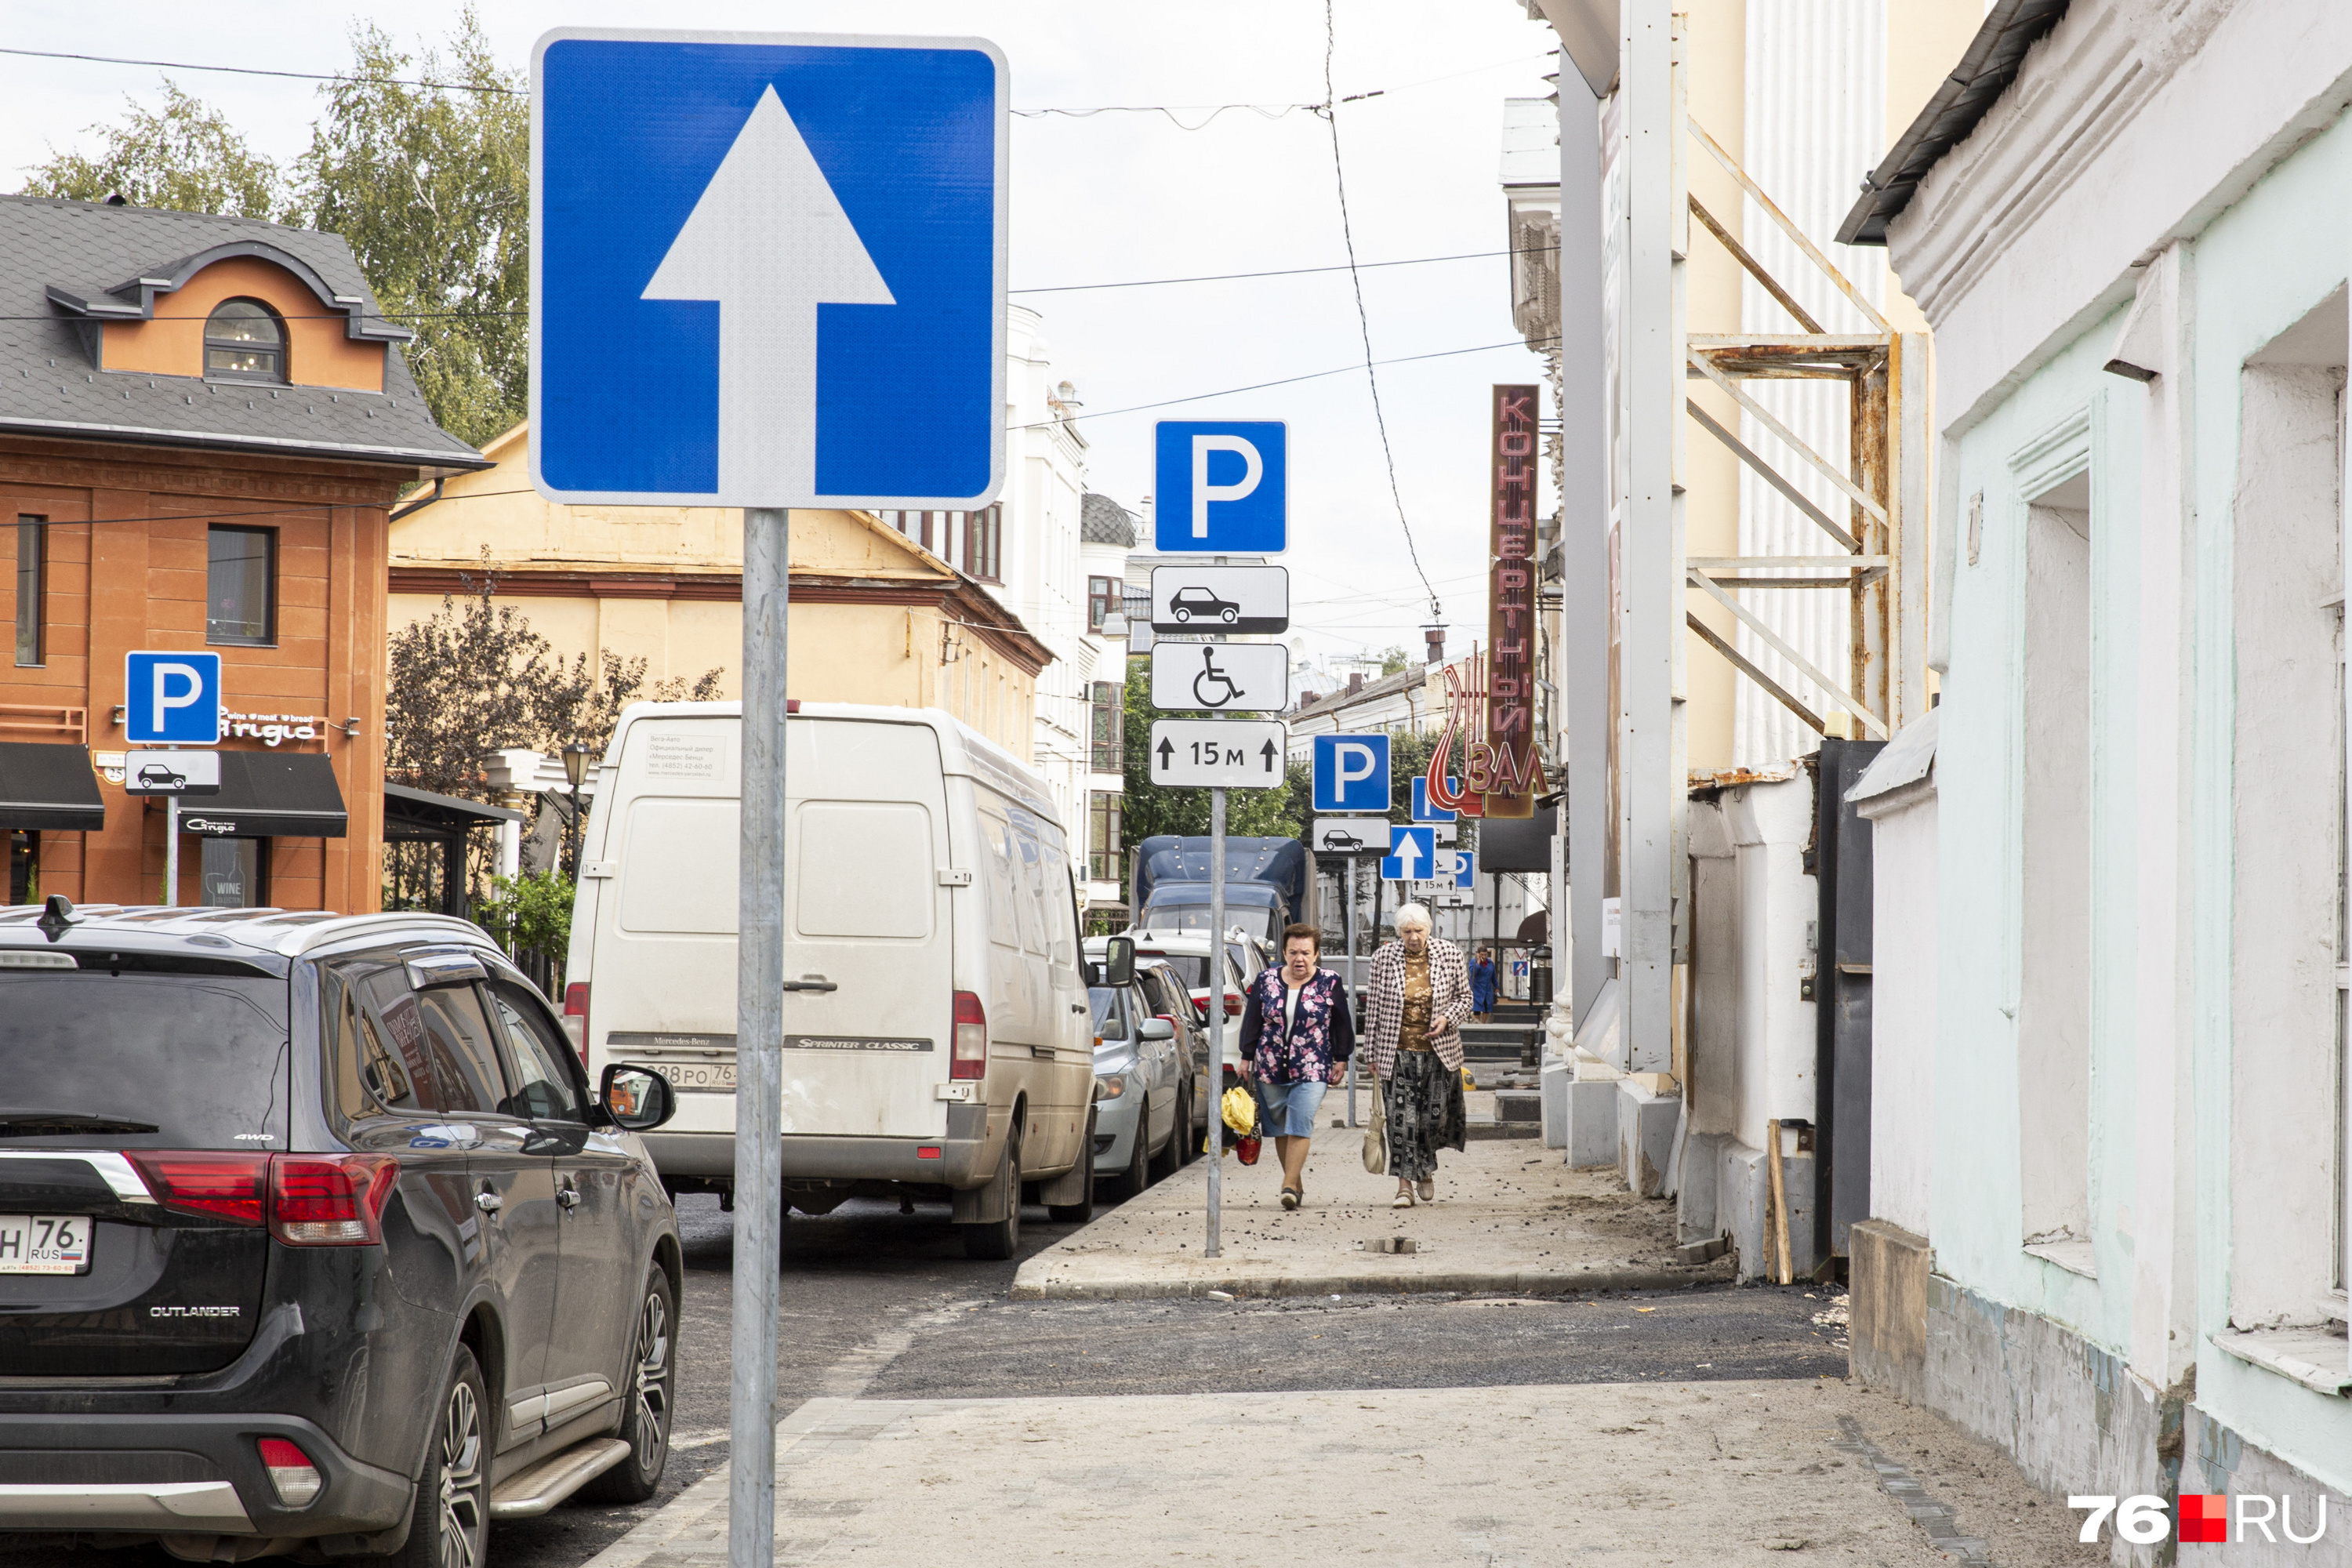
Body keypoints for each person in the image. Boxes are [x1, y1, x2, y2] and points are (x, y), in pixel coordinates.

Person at [1236, 922, 1356, 1210]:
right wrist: (1246, 1056)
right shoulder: (1266, 980)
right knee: (1280, 1128)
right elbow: (1252, 1018)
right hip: (1270, 1065)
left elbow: (1341, 1022)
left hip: (1314, 1066)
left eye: (1305, 952)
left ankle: (1288, 1185)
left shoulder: (1329, 981)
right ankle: (1296, 1182)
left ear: (1316, 954)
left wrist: (1342, 1057)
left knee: (1301, 1122)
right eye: (1293, 952)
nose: (1298, 959)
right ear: (1284, 952)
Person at [1363, 904, 1471, 1207]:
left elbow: (1465, 998)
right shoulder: (1384, 957)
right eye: (1407, 932)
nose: (1413, 937)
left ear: (1429, 930)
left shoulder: (1449, 954)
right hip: (1395, 1052)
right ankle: (1404, 1187)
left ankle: (1425, 1166)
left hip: (1438, 1053)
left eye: (1418, 931)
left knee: (1431, 1119)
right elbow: (1373, 1009)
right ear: (1399, 933)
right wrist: (1370, 1052)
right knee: (1401, 1120)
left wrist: (1447, 1018)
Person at [1470, 947, 1497, 1022]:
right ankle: (1477, 1025)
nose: (1484, 957)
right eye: (1482, 955)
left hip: (1487, 989)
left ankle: (1483, 1024)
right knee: (1477, 1009)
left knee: (1487, 1008)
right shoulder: (1474, 962)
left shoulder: (1490, 963)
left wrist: (1496, 986)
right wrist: (1478, 962)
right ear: (1478, 954)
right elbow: (1474, 973)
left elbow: (1493, 975)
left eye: (1485, 955)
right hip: (1477, 989)